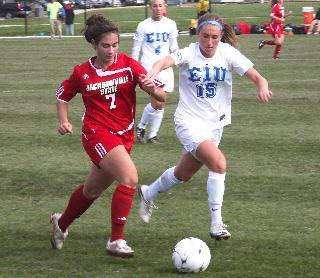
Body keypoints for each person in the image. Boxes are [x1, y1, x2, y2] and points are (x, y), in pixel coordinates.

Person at [138, 12, 273, 240]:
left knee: (183, 174)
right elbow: (165, 61)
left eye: (214, 37)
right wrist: (153, 72)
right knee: (218, 163)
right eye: (204, 36)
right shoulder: (189, 52)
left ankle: (148, 193)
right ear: (197, 34)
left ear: (221, 36)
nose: (209, 43)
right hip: (188, 121)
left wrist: (262, 86)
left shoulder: (227, 53)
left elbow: (259, 77)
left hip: (214, 126)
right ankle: (216, 224)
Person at [50, 14, 166, 257]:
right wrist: (64, 121)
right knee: (129, 178)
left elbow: (161, 98)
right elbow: (62, 95)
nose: (112, 50)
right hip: (96, 133)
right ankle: (116, 240)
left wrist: (152, 89)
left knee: (92, 191)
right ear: (94, 43)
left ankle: (61, 224)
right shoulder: (82, 72)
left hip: (124, 136)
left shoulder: (129, 65)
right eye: (106, 45)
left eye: (115, 45)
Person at [132, 0, 179, 144]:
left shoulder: (171, 24)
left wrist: (178, 58)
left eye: (160, 5)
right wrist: (134, 68)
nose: (158, 8)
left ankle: (152, 135)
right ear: (150, 7)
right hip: (149, 69)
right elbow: (136, 49)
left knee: (161, 102)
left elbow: (174, 47)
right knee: (158, 100)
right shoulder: (143, 25)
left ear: (165, 6)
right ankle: (141, 127)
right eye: (155, 6)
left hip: (165, 68)